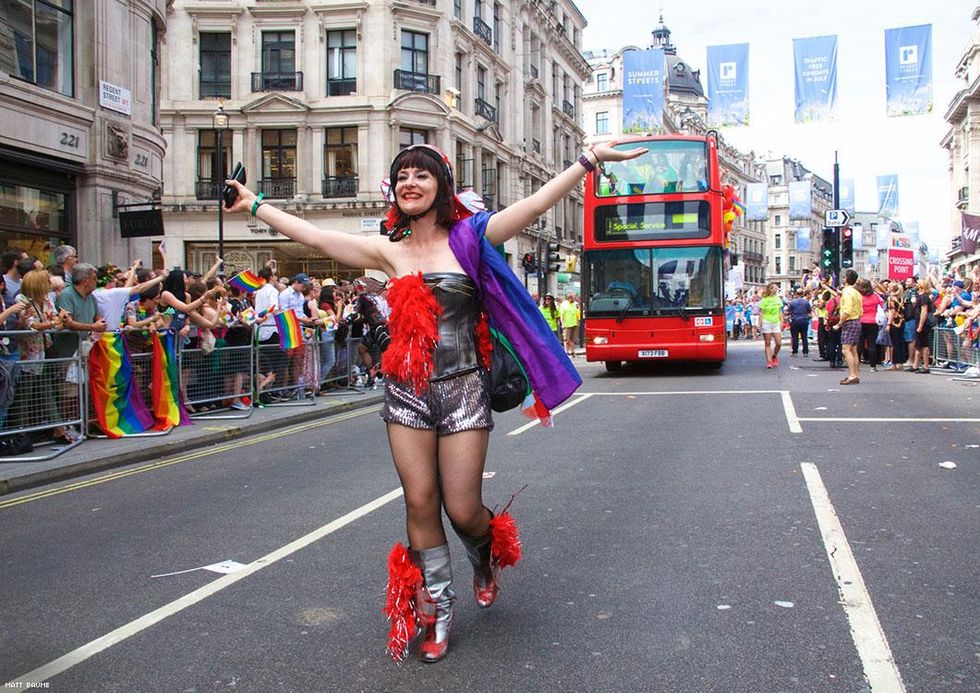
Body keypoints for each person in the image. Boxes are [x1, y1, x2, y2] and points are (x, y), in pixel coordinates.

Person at [223, 140, 641, 663]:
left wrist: (589, 161)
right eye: (402, 176)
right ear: (394, 191)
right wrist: (255, 204)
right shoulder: (387, 249)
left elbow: (533, 206)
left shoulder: (470, 236)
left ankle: (484, 557)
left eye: (421, 175)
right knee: (420, 500)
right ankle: (438, 612)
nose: (410, 182)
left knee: (463, 508)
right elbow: (318, 236)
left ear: (440, 186)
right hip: (406, 390)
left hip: (463, 386)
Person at [834, 269, 863, 385]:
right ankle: (855, 374)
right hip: (857, 320)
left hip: (849, 321)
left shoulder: (848, 293)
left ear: (846, 279)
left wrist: (839, 323)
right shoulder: (856, 292)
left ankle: (852, 375)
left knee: (846, 349)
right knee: (854, 350)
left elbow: (847, 310)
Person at [758, 283, 783, 368]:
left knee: (779, 342)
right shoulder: (764, 300)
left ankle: (774, 356)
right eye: (775, 288)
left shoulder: (778, 299)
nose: (776, 289)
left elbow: (780, 311)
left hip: (776, 322)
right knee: (767, 343)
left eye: (777, 288)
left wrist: (782, 321)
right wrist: (760, 322)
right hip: (766, 322)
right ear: (770, 289)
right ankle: (769, 361)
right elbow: (761, 312)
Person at [785, 288, 811, 356]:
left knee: (795, 337)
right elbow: (809, 311)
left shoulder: (793, 302)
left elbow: (788, 311)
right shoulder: (806, 302)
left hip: (795, 320)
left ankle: (795, 352)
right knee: (804, 337)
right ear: (802, 294)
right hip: (804, 320)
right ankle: (805, 352)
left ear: (796, 294)